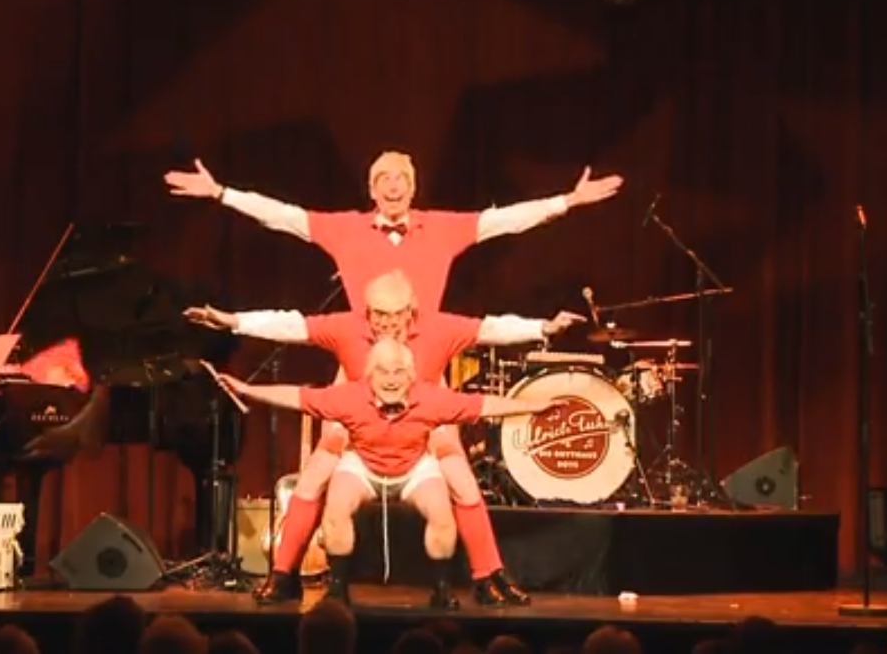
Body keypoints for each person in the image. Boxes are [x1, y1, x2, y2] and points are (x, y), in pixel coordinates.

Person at [186, 270, 584, 605]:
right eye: (378, 315)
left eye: (396, 315)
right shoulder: (346, 328)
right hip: (358, 404)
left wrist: (542, 329)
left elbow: (491, 330)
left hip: (425, 405)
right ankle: (284, 574)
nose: (387, 323)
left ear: (411, 311)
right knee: (315, 475)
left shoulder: (439, 329)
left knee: (462, 482)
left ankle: (487, 575)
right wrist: (232, 322)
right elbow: (291, 325)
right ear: (367, 312)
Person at [216, 338, 562, 608]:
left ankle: (441, 589)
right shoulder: (349, 398)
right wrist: (246, 389)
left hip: (414, 466)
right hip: (363, 464)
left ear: (411, 375)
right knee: (336, 508)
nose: (392, 380)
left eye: (399, 373)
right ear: (370, 375)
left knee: (442, 515)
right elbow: (296, 397)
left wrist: (535, 407)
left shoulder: (431, 399)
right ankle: (338, 589)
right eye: (383, 372)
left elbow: (486, 405)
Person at [163, 150, 623, 314]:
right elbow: (281, 215)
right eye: (384, 179)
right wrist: (221, 193)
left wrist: (567, 201)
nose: (394, 186)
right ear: (372, 190)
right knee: (330, 454)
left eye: (402, 179)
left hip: (424, 362)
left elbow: (507, 220)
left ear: (413, 188)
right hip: (362, 360)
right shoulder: (345, 229)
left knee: (447, 459)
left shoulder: (442, 228)